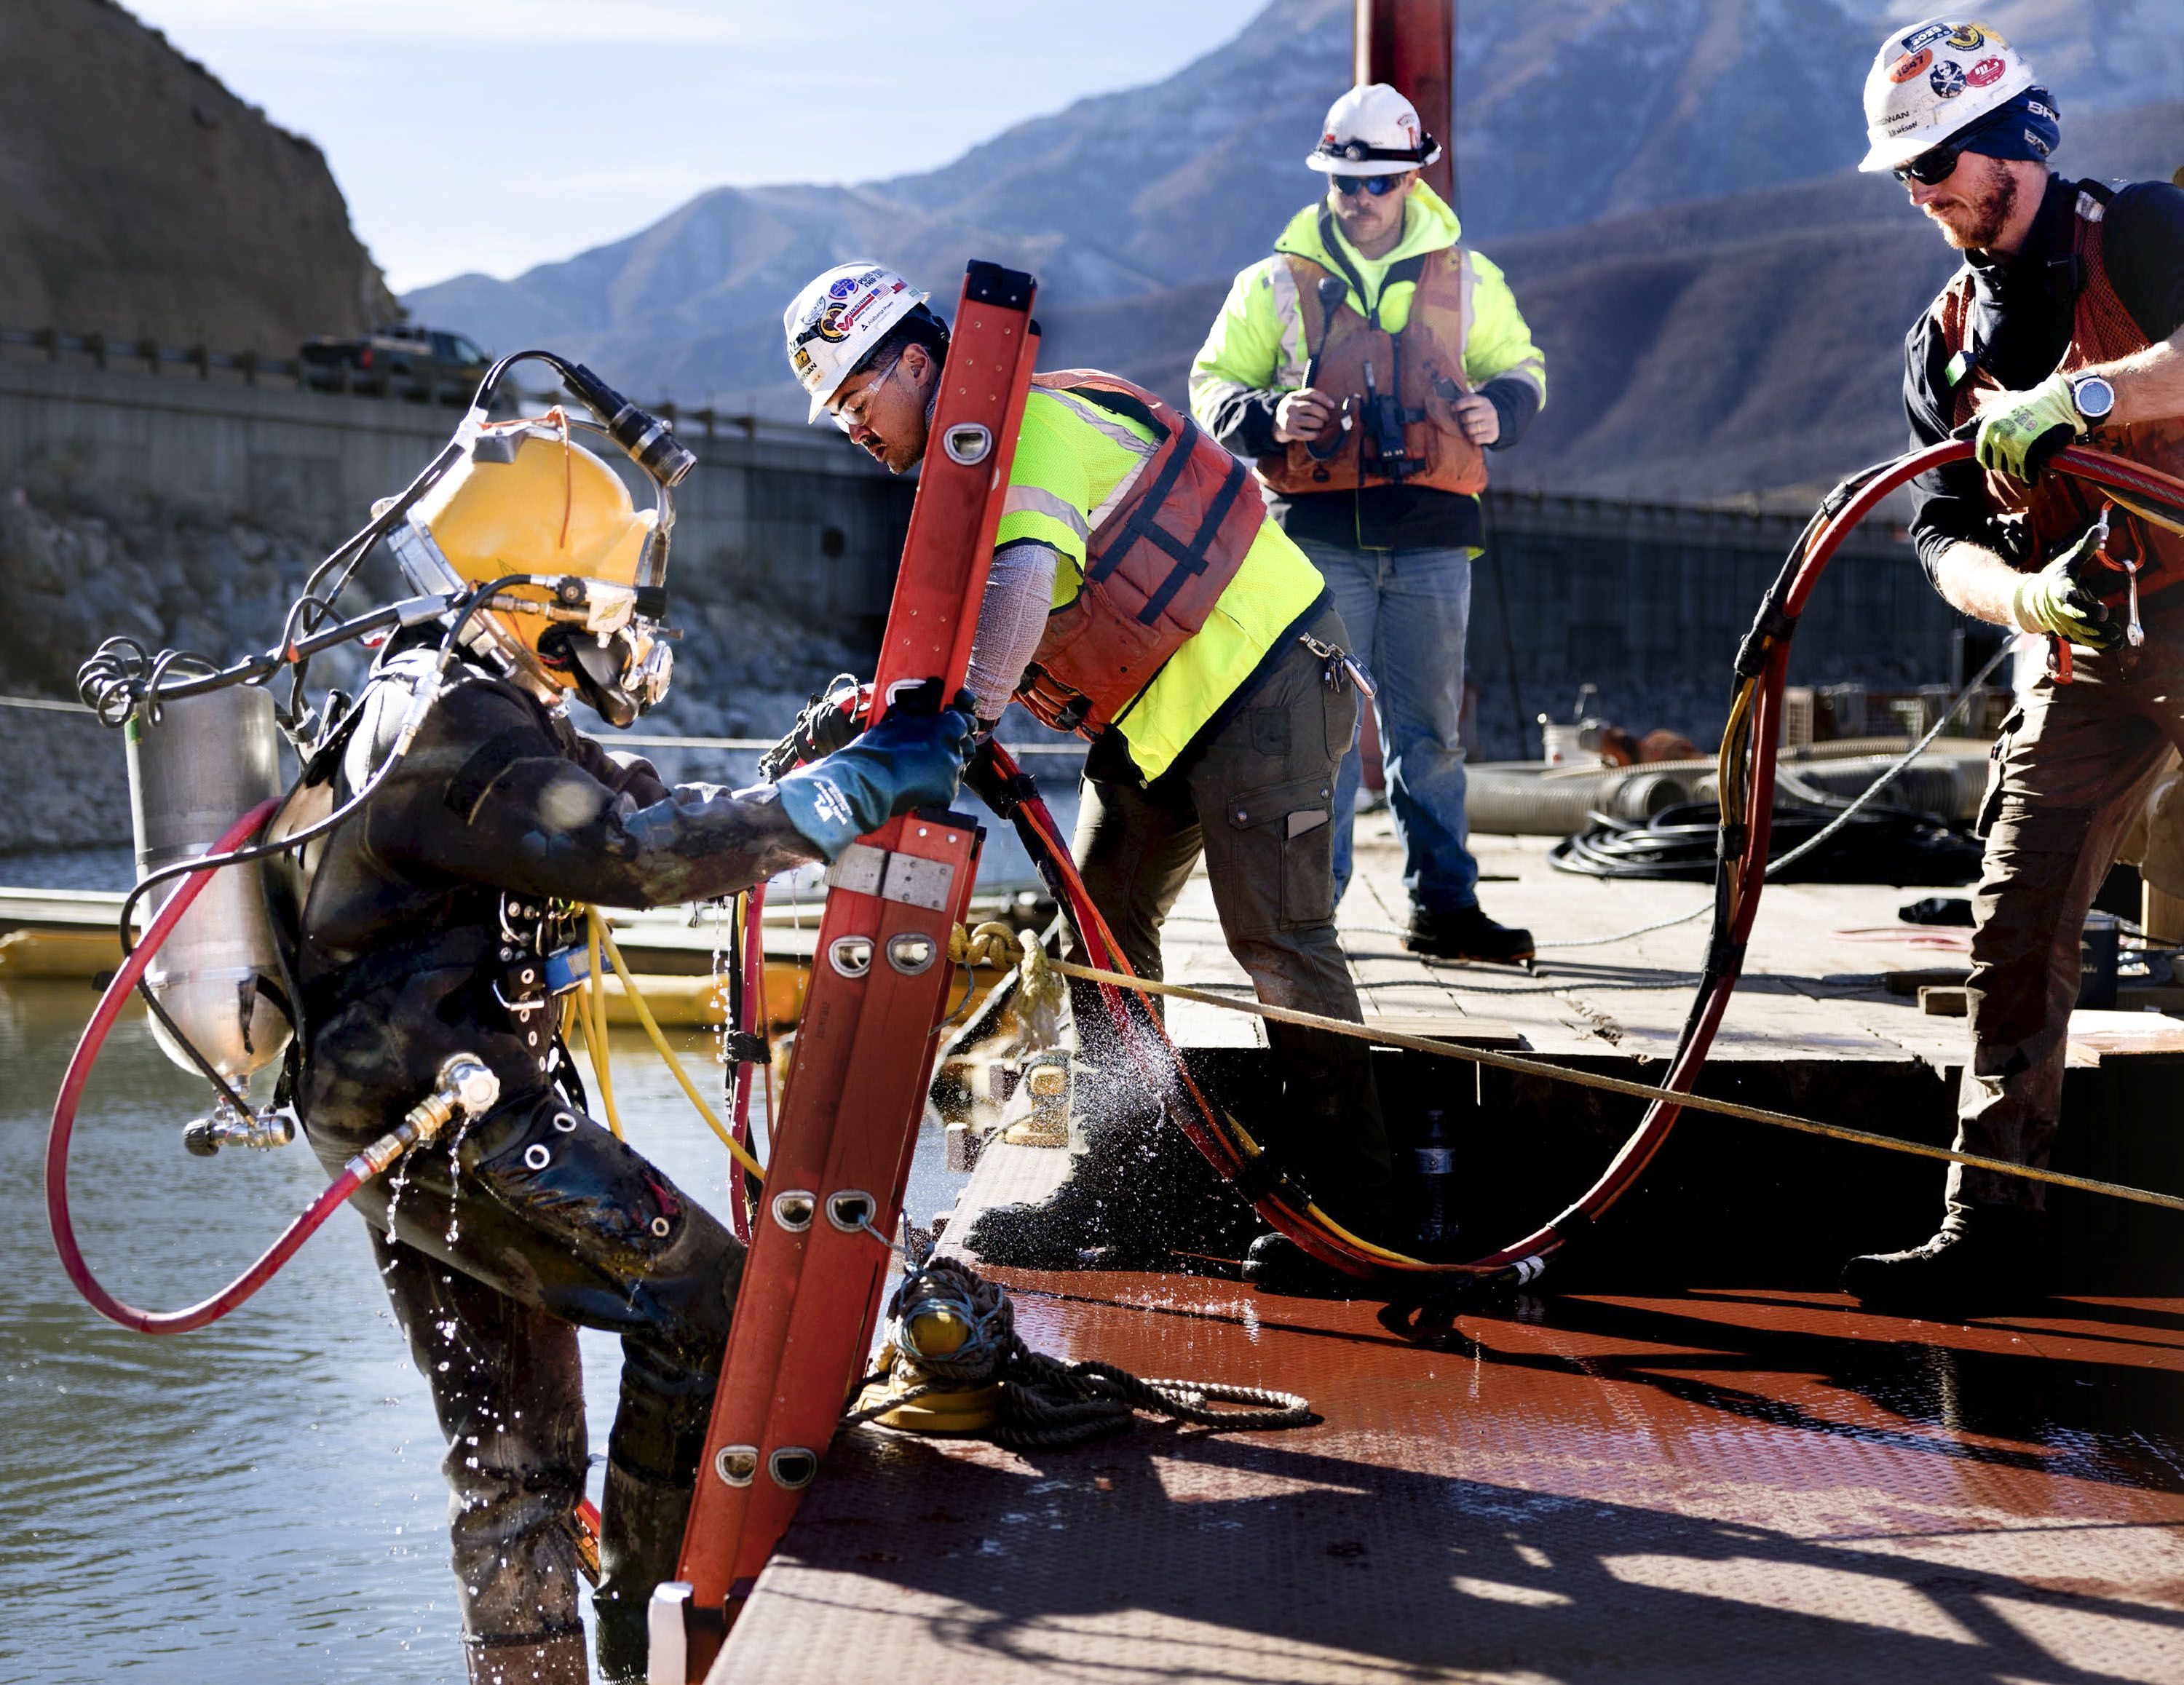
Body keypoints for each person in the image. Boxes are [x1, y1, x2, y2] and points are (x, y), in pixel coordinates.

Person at [290, 416, 973, 1683]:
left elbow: (634, 807)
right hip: (445, 1104)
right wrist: (860, 795)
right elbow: (636, 858)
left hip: (399, 1102)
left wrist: (807, 775)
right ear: (542, 592)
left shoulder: (458, 684)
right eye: (609, 598)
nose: (624, 627)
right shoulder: (465, 725)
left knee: (511, 1452)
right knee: (703, 1296)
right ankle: (647, 1639)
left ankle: (540, 1672)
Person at [778, 262, 1398, 1272]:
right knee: (1099, 926)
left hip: (1264, 674)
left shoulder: (1028, 431)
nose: (851, 421)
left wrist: (958, 729)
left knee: (1278, 941)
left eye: (857, 394)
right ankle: (1119, 1181)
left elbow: (1022, 586)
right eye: (837, 406)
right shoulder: (975, 467)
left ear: (920, 360)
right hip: (1161, 714)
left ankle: (1352, 1212)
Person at [1837, 17, 2184, 1315]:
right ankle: (1995, 1226)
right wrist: (2028, 592)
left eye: (1938, 168)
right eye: (1913, 176)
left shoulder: (2144, 233)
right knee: (2018, 919)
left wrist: (2084, 402)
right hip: (2084, 643)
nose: (1925, 197)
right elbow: (1939, 536)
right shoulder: (1941, 343)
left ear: (2005, 148)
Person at [1190, 82, 1546, 964]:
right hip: (1315, 542)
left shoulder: (1469, 279)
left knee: (1431, 736)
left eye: (1379, 183)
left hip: (1431, 538)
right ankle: (1315, 917)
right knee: (1320, 741)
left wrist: (1504, 406)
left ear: (1413, 180)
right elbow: (1210, 383)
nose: (1360, 200)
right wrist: (1270, 417)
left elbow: (1522, 365)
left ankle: (1445, 909)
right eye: (1345, 183)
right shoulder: (1271, 281)